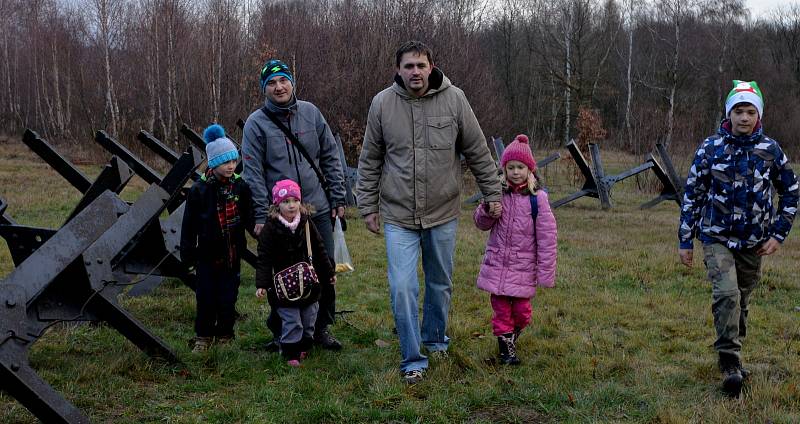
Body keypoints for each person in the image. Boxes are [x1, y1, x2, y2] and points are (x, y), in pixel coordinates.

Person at [356, 40, 503, 384]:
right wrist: (367, 206)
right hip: (398, 214)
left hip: (442, 211)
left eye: (421, 65)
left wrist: (493, 192)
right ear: (398, 70)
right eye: (408, 66)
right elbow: (370, 160)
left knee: (439, 284)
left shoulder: (455, 100)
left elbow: (478, 151)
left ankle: (435, 339)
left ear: (432, 67)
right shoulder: (382, 104)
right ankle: (412, 359)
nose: (415, 72)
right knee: (402, 287)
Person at [678, 80, 798, 397]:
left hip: (754, 243)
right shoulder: (710, 148)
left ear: (758, 115)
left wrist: (779, 234)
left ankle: (733, 345)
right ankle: (729, 362)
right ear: (728, 113)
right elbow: (693, 193)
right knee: (727, 294)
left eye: (749, 111)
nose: (743, 118)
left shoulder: (771, 151)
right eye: (738, 111)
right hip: (716, 237)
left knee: (741, 301)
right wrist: (686, 239)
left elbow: (790, 193)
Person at [241, 59, 347, 350]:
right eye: (272, 83)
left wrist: (337, 196)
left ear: (292, 82)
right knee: (282, 272)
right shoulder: (256, 123)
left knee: (323, 268)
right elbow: (253, 173)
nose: (279, 87)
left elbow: (330, 156)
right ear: (265, 89)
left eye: (283, 80)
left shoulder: (311, 113)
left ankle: (321, 328)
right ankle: (282, 331)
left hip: (317, 208)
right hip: (280, 215)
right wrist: (263, 215)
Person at [473, 134, 557, 365]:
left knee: (521, 312)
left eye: (520, 167)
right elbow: (481, 224)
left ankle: (513, 334)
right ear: (504, 169)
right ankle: (506, 351)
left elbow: (547, 238)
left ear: (530, 170)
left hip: (523, 268)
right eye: (511, 167)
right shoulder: (497, 194)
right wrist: (488, 210)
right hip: (498, 265)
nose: (515, 172)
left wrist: (546, 273)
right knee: (501, 311)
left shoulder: (537, 199)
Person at [181, 124, 253, 353]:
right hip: (207, 257)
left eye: (233, 161)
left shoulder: (241, 187)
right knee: (205, 299)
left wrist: (261, 232)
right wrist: (188, 254)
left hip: (232, 254)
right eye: (225, 162)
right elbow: (189, 225)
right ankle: (203, 336)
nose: (231, 166)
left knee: (228, 298)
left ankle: (225, 334)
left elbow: (249, 217)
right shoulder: (199, 190)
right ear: (213, 163)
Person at [255, 179, 336, 366]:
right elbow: (264, 258)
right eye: (285, 202)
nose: (291, 205)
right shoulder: (271, 228)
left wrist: (328, 272)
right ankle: (290, 353)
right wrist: (262, 284)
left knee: (309, 318)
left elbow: (319, 249)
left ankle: (304, 345)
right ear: (277, 204)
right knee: (292, 320)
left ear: (300, 201)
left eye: (294, 200)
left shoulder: (307, 223)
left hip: (308, 283)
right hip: (284, 286)